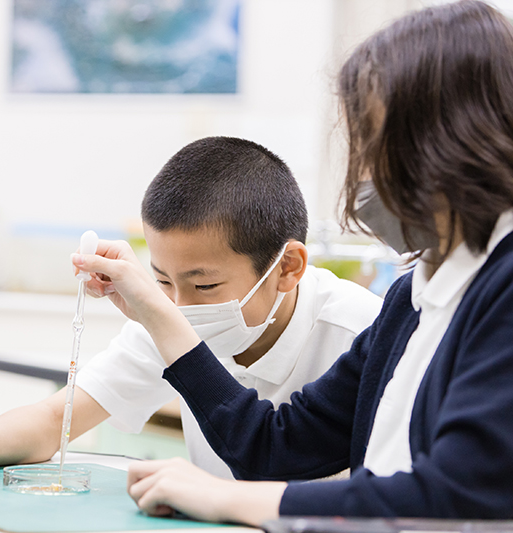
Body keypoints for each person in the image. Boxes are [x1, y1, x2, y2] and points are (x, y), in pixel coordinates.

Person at [69, 0, 513, 523]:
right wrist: (158, 314)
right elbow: (275, 447)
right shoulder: (412, 298)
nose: (362, 175)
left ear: (451, 141)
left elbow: (457, 493)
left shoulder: (500, 288)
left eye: (375, 145)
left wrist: (225, 498)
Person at [0, 136, 382, 479]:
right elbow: (57, 420)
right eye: (161, 281)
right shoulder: (163, 318)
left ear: (288, 267)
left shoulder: (361, 333)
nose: (179, 306)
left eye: (205, 284)